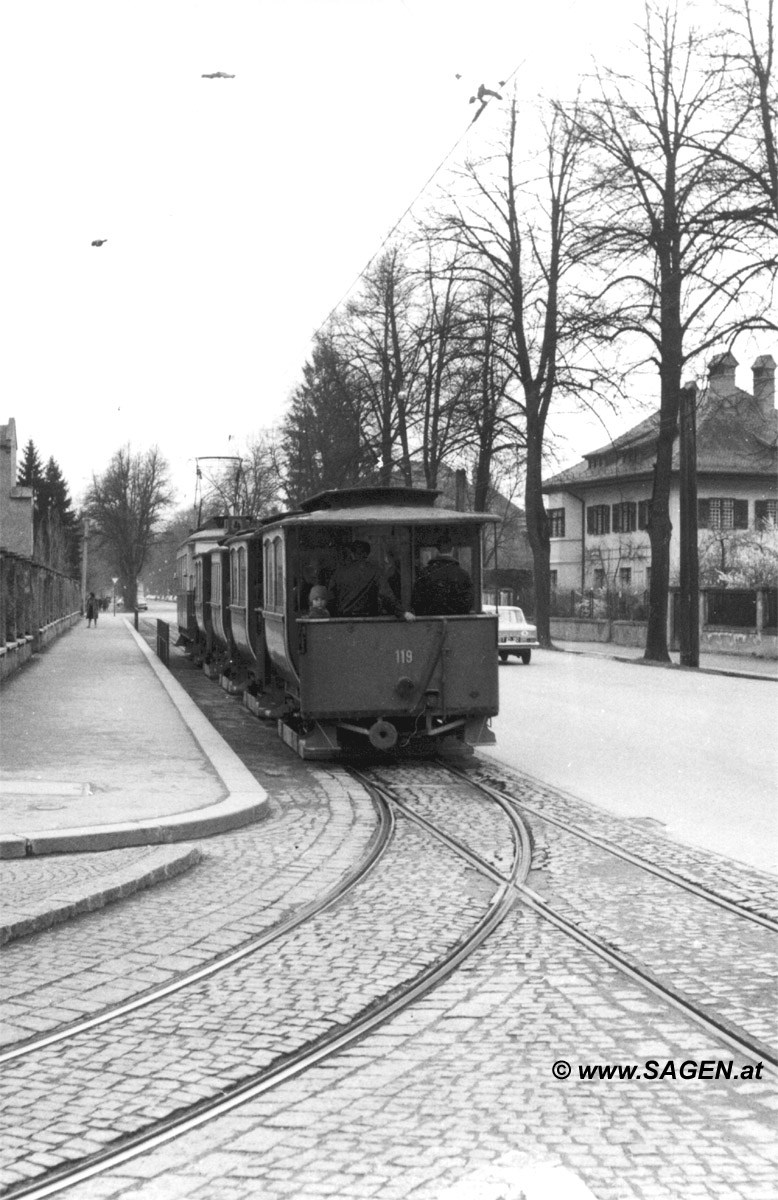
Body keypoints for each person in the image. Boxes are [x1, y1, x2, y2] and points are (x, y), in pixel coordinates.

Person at [330, 541, 414, 621]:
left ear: (352, 554)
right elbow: (385, 595)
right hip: (368, 620)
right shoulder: (375, 571)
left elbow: (331, 597)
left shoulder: (339, 572)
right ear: (367, 554)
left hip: (343, 620)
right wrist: (402, 612)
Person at [411, 537, 474, 616]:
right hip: (458, 623)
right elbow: (469, 601)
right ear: (452, 550)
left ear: (437, 550)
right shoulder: (463, 574)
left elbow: (416, 601)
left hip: (428, 622)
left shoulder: (425, 573)